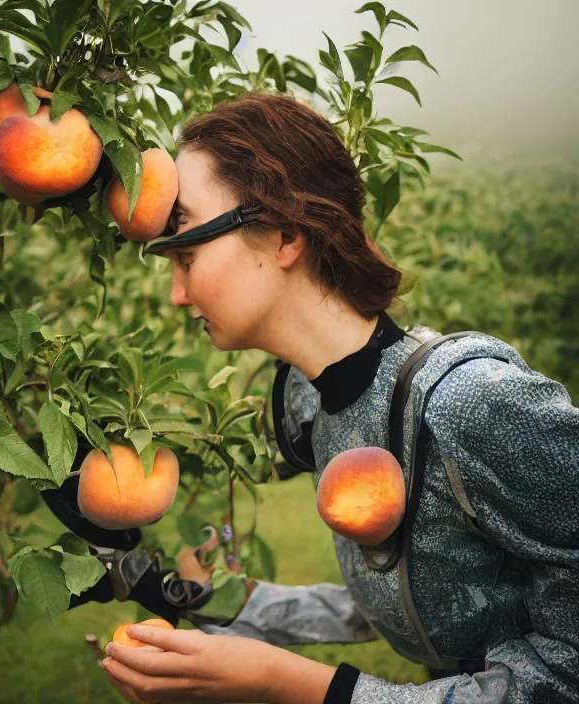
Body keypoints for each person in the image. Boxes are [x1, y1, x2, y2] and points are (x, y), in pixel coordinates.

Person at [96, 93, 579, 703]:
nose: (177, 295)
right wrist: (177, 594)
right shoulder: (315, 408)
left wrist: (287, 683)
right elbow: (416, 600)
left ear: (285, 236)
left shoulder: (472, 403)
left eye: (187, 255)